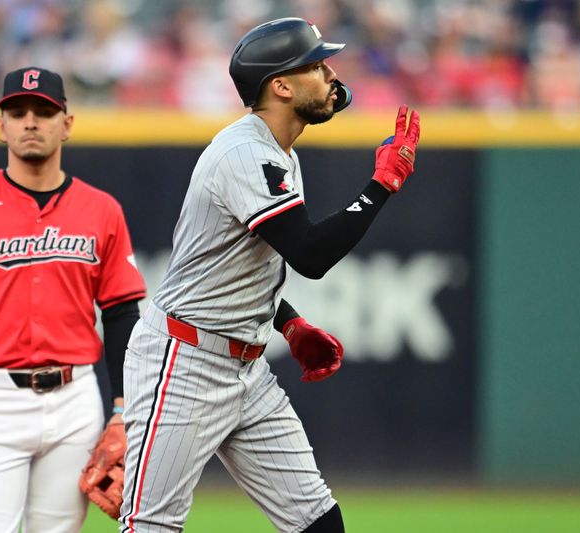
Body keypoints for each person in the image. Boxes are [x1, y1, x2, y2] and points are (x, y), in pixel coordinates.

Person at [119, 18, 420, 533]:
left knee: (317, 522)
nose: (330, 75)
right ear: (281, 85)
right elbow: (308, 253)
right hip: (184, 362)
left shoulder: (277, 151)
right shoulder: (246, 153)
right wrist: (382, 184)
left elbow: (240, 263)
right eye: (317, 65)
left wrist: (288, 322)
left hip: (245, 366)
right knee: (148, 527)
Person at [0, 66, 146, 532]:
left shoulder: (102, 209)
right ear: (1, 126)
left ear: (67, 124)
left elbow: (122, 313)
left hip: (76, 401)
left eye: (44, 111)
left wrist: (125, 409)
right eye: (17, 112)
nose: (30, 122)